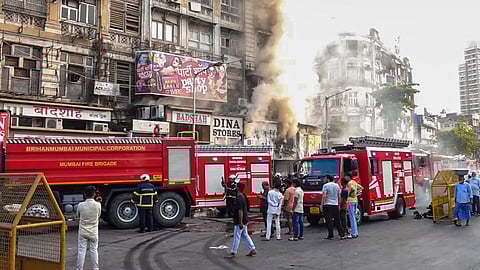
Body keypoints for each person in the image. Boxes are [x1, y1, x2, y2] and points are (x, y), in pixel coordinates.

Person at [225, 183, 256, 258]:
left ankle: (233, 252)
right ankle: (252, 248)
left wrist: (240, 222)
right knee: (245, 235)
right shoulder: (243, 196)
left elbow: (240, 211)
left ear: (238, 188)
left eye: (236, 187)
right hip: (244, 219)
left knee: (237, 236)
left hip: (240, 220)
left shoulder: (239, 198)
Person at [76, 186, 101, 270]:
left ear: (84, 194)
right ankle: (95, 268)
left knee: (81, 250)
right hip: (94, 232)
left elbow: (78, 216)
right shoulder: (98, 205)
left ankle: (79, 268)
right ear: (94, 194)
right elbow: (98, 216)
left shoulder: (80, 205)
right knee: (94, 250)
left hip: (83, 231)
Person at [321, 175, 345, 240]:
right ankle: (341, 234)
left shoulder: (325, 186)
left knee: (329, 220)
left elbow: (324, 196)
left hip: (328, 204)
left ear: (328, 179)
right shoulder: (337, 185)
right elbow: (339, 195)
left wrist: (322, 205)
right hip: (335, 204)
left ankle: (331, 235)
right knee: (337, 220)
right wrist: (339, 204)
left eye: (325, 178)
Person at [346, 172, 363, 239]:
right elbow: (361, 187)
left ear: (348, 177)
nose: (345, 178)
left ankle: (353, 233)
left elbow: (352, 189)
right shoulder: (354, 182)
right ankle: (355, 232)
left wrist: (349, 194)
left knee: (351, 217)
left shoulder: (349, 183)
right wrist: (357, 193)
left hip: (350, 201)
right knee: (354, 217)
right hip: (355, 200)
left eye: (345, 176)